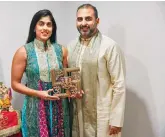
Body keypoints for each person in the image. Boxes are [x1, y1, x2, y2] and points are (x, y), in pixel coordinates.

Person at [67, 4, 126, 137]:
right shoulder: (70, 47)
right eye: (80, 19)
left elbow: (119, 84)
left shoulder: (109, 46)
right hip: (78, 112)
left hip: (102, 115)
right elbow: (68, 78)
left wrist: (116, 120)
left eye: (88, 19)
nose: (83, 23)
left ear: (97, 21)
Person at [11, 9, 70, 137]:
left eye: (49, 24)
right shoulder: (23, 51)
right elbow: (15, 84)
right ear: (34, 27)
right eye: (41, 23)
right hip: (36, 106)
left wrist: (74, 91)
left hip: (59, 105)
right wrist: (39, 93)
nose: (45, 28)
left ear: (53, 28)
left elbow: (66, 80)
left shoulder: (62, 50)